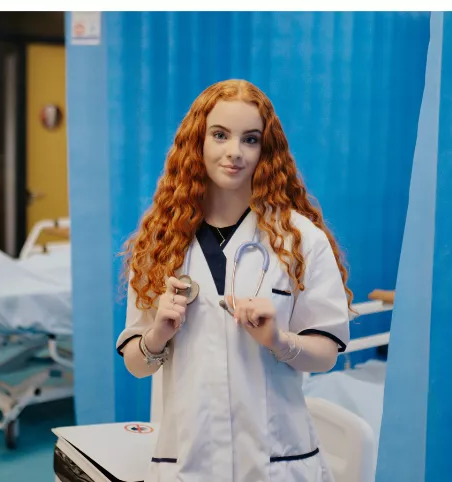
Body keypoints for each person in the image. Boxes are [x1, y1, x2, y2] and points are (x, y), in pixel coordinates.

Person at [116, 79, 354, 481]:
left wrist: (281, 341)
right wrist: (157, 335)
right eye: (220, 135)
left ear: (266, 150)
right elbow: (137, 365)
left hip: (277, 460)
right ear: (198, 141)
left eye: (250, 139)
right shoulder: (162, 241)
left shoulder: (301, 240)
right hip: (188, 461)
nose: (234, 152)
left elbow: (327, 353)